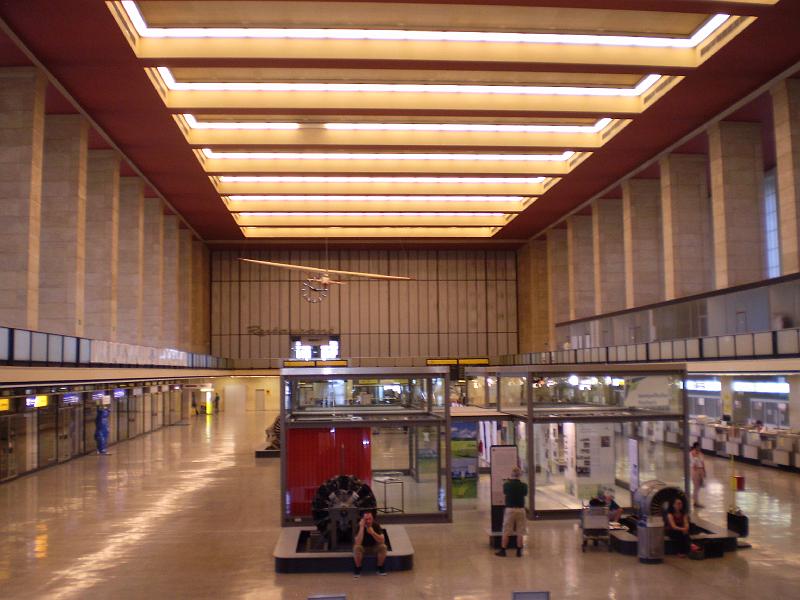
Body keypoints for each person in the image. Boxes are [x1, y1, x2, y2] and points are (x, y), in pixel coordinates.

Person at [495, 466, 528, 557]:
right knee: (520, 531)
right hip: (521, 509)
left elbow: (505, 492)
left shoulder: (507, 484)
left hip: (509, 509)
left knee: (506, 530)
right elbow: (525, 493)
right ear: (520, 475)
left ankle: (503, 550)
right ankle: (518, 551)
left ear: (511, 474)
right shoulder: (524, 485)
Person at [353, 511, 387, 577]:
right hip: (362, 548)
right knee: (356, 548)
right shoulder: (358, 526)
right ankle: (358, 568)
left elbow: (382, 540)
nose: (368, 521)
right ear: (362, 520)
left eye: (370, 519)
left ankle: (380, 567)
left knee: (383, 547)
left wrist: (373, 533)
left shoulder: (376, 525)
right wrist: (362, 528)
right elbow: (358, 543)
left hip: (374, 547)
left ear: (372, 519)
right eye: (366, 519)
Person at [690, 442, 706, 508]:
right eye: (698, 447)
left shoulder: (701, 454)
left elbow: (702, 463)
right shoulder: (691, 453)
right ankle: (695, 502)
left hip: (701, 470)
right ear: (695, 447)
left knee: (699, 486)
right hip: (695, 470)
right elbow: (693, 464)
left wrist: (704, 472)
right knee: (696, 487)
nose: (699, 448)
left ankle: (695, 500)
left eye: (699, 447)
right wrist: (695, 456)